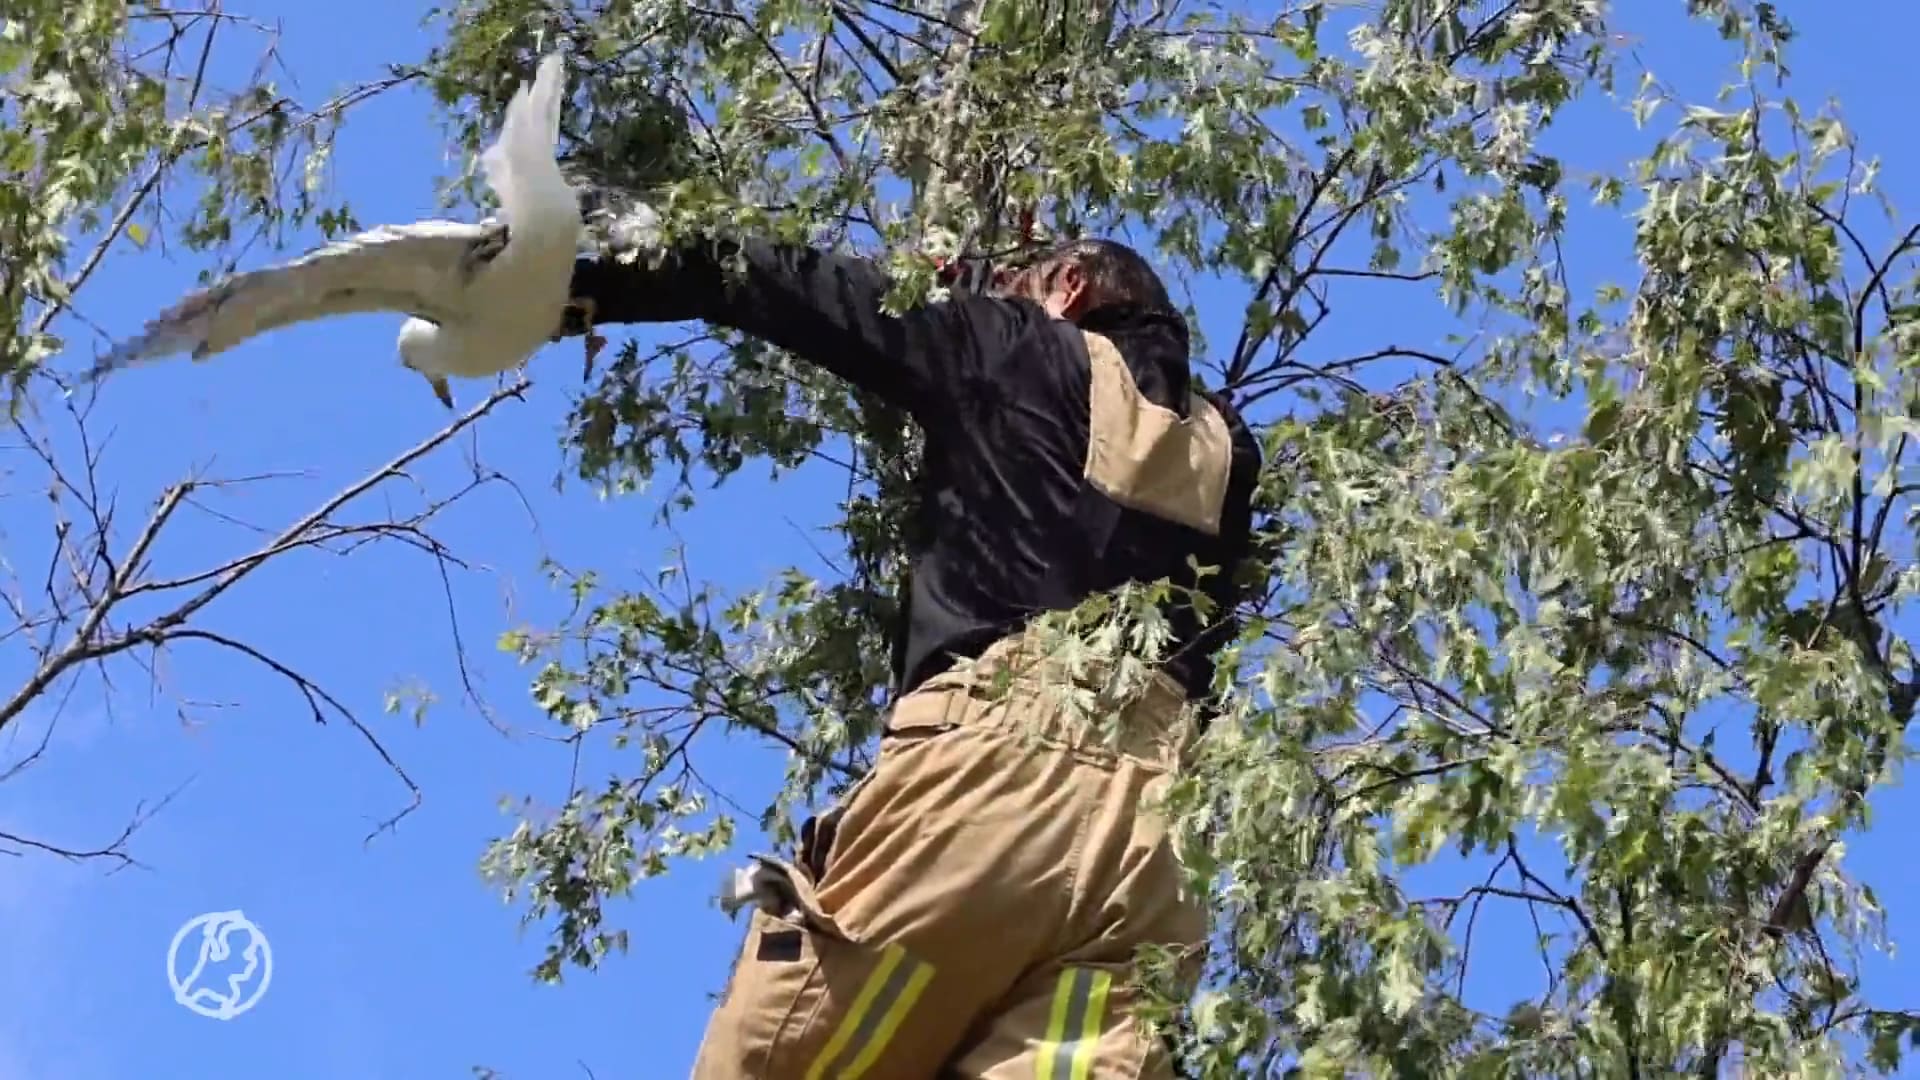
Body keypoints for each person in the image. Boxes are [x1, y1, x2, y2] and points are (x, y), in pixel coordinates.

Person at [564, 231, 1262, 1078]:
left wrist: (583, 276)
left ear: (1070, 285)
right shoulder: (1230, 451)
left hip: (999, 789)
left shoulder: (1018, 347)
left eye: (1016, 283)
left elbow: (792, 287)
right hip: (1158, 862)